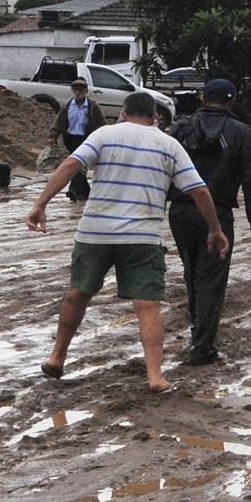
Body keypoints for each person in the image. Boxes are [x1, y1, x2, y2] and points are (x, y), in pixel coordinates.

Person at [25, 91, 228, 394]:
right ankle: (155, 376)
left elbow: (70, 165)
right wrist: (215, 229)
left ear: (122, 113)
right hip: (142, 238)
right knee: (147, 306)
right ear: (155, 118)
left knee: (77, 293)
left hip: (96, 232)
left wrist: (40, 204)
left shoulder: (105, 133)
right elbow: (198, 190)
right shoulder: (168, 144)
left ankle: (57, 358)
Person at [168, 79, 251, 365]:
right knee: (210, 280)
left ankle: (197, 331)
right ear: (232, 101)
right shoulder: (240, 132)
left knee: (192, 275)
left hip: (180, 212)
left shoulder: (181, 128)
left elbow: (161, 170)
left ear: (202, 97)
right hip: (217, 216)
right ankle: (202, 348)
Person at [50, 79, 105, 202]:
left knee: (77, 164)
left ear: (86, 91)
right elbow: (58, 122)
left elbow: (101, 123)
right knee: (78, 164)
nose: (78, 92)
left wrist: (98, 137)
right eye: (75, 90)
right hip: (71, 139)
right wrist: (52, 136)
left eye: (81, 90)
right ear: (72, 91)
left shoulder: (93, 106)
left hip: (86, 139)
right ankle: (85, 193)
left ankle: (73, 190)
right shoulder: (67, 106)